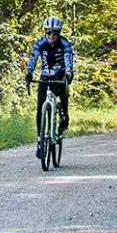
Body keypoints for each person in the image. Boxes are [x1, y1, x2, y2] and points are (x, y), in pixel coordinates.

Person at [26, 17, 75, 147]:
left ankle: (63, 120)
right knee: (39, 108)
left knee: (63, 99)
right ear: (45, 32)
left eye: (55, 32)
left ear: (59, 33)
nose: (51, 35)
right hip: (45, 76)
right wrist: (29, 73)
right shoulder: (40, 43)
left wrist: (69, 72)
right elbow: (33, 58)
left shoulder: (64, 44)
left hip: (60, 75)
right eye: (48, 32)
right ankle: (39, 140)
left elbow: (68, 57)